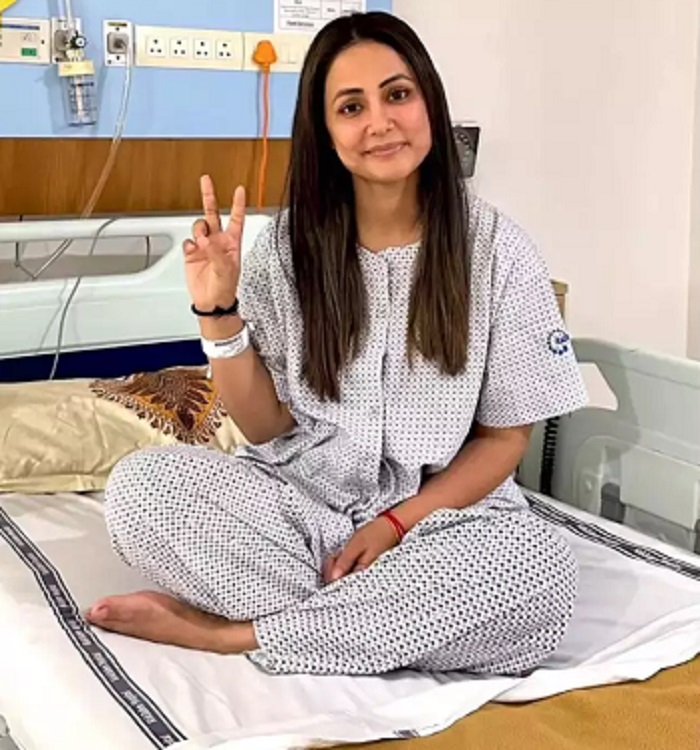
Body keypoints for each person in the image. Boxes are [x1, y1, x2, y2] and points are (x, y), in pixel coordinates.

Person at [86, 10, 588, 677]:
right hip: (300, 511)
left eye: (397, 94)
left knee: (541, 570)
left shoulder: (500, 252)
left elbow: (504, 440)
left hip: (441, 525)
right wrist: (217, 312)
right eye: (351, 107)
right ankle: (388, 623)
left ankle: (233, 635)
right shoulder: (284, 252)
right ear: (325, 132)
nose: (380, 122)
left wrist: (395, 526)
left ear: (429, 103)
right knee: (141, 489)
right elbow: (265, 428)